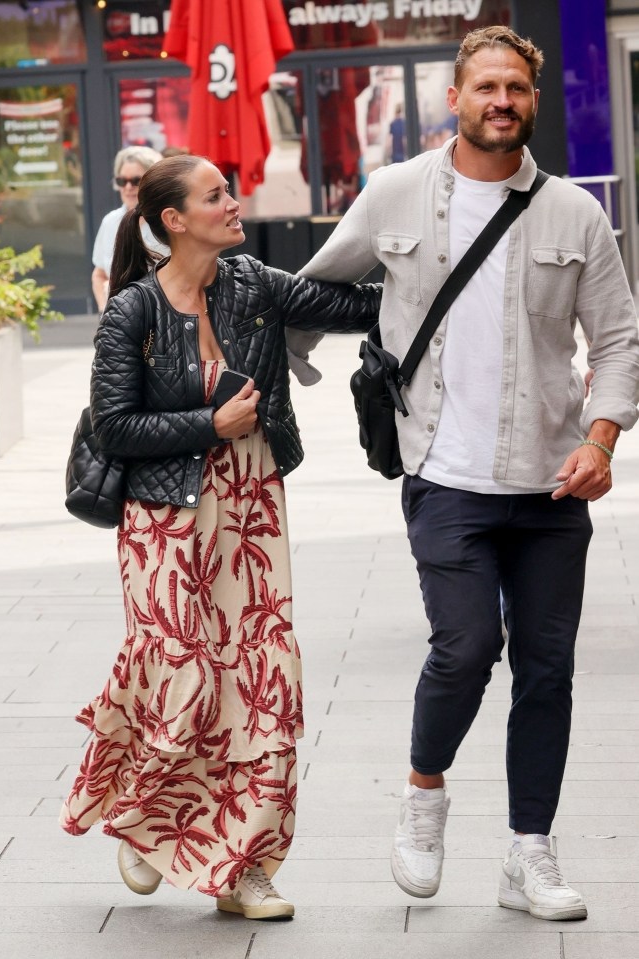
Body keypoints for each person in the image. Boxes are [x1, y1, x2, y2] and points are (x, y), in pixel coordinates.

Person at [298, 25, 639, 921]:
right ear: (455, 97)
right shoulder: (396, 194)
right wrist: (236, 392)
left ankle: (530, 852)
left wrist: (601, 441)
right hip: (444, 475)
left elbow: (617, 341)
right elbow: (311, 292)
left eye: (516, 90)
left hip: (552, 481)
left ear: (533, 100)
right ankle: (424, 794)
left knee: (548, 668)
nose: (501, 102)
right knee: (464, 647)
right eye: (486, 87)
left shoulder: (574, 213)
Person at [60, 154, 381, 920]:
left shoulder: (253, 285)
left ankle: (245, 868)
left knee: (260, 684)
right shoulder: (133, 311)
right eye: (217, 196)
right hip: (163, 516)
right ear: (174, 220)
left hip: (251, 507)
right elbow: (115, 426)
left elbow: (353, 305)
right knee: (183, 676)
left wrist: (439, 257)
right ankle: (146, 817)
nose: (234, 204)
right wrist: (212, 422)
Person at [91, 146, 166, 312]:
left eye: (136, 181)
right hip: (119, 321)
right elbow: (99, 274)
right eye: (121, 181)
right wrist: (105, 311)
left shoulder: (169, 221)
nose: (128, 187)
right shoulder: (110, 221)